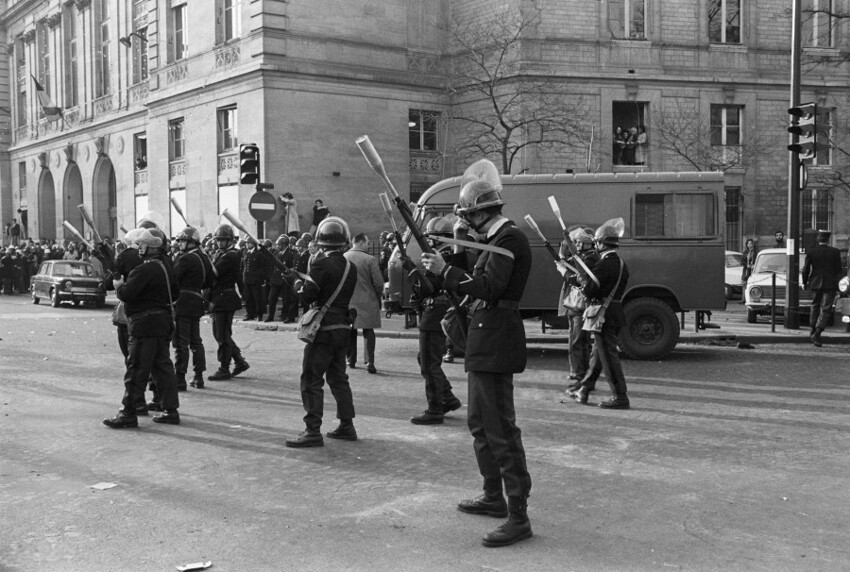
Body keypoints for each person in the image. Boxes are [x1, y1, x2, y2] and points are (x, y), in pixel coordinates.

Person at [421, 158, 533, 548]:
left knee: (501, 429)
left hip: (497, 337)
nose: (468, 224)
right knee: (480, 424)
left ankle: (518, 515)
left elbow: (488, 286)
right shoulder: (493, 241)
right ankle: (493, 496)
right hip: (485, 338)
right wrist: (444, 262)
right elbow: (474, 269)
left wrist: (447, 272)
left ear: (483, 212)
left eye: (469, 217)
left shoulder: (510, 239)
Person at [286, 216, 358, 448]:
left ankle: (312, 430)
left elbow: (309, 296)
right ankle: (347, 424)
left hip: (323, 330)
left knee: (311, 379)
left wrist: (295, 284)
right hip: (342, 328)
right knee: (338, 378)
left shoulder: (319, 264)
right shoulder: (350, 266)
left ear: (322, 241)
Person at [103, 229, 181, 428]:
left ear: (148, 247)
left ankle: (128, 412)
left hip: (145, 324)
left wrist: (119, 285)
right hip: (163, 322)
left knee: (136, 368)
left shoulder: (144, 269)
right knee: (163, 367)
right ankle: (170, 409)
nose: (138, 249)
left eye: (141, 245)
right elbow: (176, 293)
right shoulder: (165, 266)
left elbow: (127, 294)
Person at [570, 218, 631, 410]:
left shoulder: (604, 264)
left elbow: (589, 290)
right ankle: (584, 389)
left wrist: (580, 278)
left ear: (601, 243)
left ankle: (620, 396)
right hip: (614, 311)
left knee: (608, 356)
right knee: (599, 355)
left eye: (597, 242)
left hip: (602, 314)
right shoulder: (620, 263)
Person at [408, 217, 463, 425]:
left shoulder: (441, 257)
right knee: (425, 359)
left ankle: (435, 408)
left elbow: (427, 288)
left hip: (435, 314)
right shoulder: (450, 255)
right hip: (438, 311)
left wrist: (412, 271)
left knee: (429, 364)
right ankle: (447, 398)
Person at [172, 226, 215, 389]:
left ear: (192, 243)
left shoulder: (184, 259)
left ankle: (180, 378)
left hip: (183, 302)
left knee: (181, 343)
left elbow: (174, 278)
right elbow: (209, 281)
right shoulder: (204, 258)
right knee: (196, 342)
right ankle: (198, 376)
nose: (180, 244)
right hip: (197, 301)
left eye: (183, 241)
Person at [558, 227, 599, 393]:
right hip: (579, 304)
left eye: (578, 242)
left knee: (577, 341)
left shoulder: (588, 259)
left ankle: (579, 375)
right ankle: (580, 373)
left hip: (580, 305)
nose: (577, 245)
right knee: (580, 341)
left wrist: (563, 271)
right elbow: (570, 256)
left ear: (585, 244)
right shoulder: (588, 256)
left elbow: (577, 279)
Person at [207, 224, 251, 381]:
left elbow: (214, 273)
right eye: (218, 240)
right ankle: (239, 361)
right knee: (220, 333)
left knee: (222, 335)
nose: (219, 243)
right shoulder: (222, 254)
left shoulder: (231, 255)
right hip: (219, 298)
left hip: (225, 298)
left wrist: (202, 257)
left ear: (230, 241)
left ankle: (224, 368)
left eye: (223, 240)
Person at [344, 233, 383, 373]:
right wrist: (378, 295)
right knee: (369, 331)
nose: (367, 246)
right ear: (360, 243)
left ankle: (351, 360)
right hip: (368, 300)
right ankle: (369, 361)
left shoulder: (344, 257)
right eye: (366, 243)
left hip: (348, 300)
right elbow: (378, 283)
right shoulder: (370, 259)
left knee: (350, 331)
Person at [802, 230, 842, 347]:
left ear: (818, 238)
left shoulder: (811, 251)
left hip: (815, 282)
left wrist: (805, 282)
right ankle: (817, 333)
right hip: (830, 283)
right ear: (828, 239)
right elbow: (838, 269)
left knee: (814, 306)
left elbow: (806, 269)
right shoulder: (835, 252)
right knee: (826, 308)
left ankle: (812, 329)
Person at [241, 236, 267, 321]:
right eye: (247, 243)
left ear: (253, 244)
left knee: (257, 298)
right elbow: (243, 266)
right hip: (247, 280)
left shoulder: (258, 254)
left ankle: (259, 315)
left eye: (249, 243)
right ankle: (250, 314)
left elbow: (263, 267)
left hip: (255, 280)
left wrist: (259, 277)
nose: (247, 245)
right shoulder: (245, 253)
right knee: (248, 299)